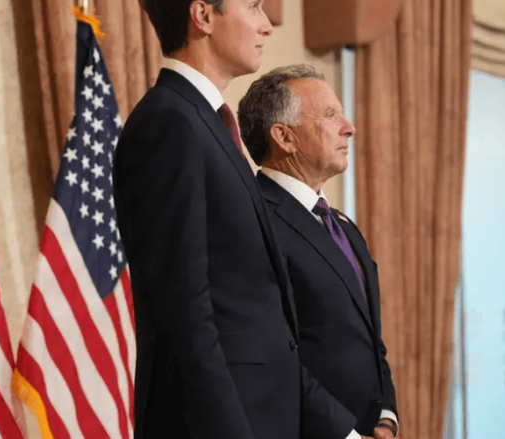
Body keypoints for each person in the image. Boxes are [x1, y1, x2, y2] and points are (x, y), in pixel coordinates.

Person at [112, 1, 309, 438]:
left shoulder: (205, 122)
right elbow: (183, 314)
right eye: (253, 6)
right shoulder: (169, 122)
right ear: (202, 16)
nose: (266, 25)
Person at [238, 64, 400, 439]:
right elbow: (272, 353)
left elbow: (369, 338)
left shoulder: (343, 226)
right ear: (284, 137)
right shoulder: (252, 221)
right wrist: (346, 435)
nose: (349, 127)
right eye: (330, 115)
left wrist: (387, 416)